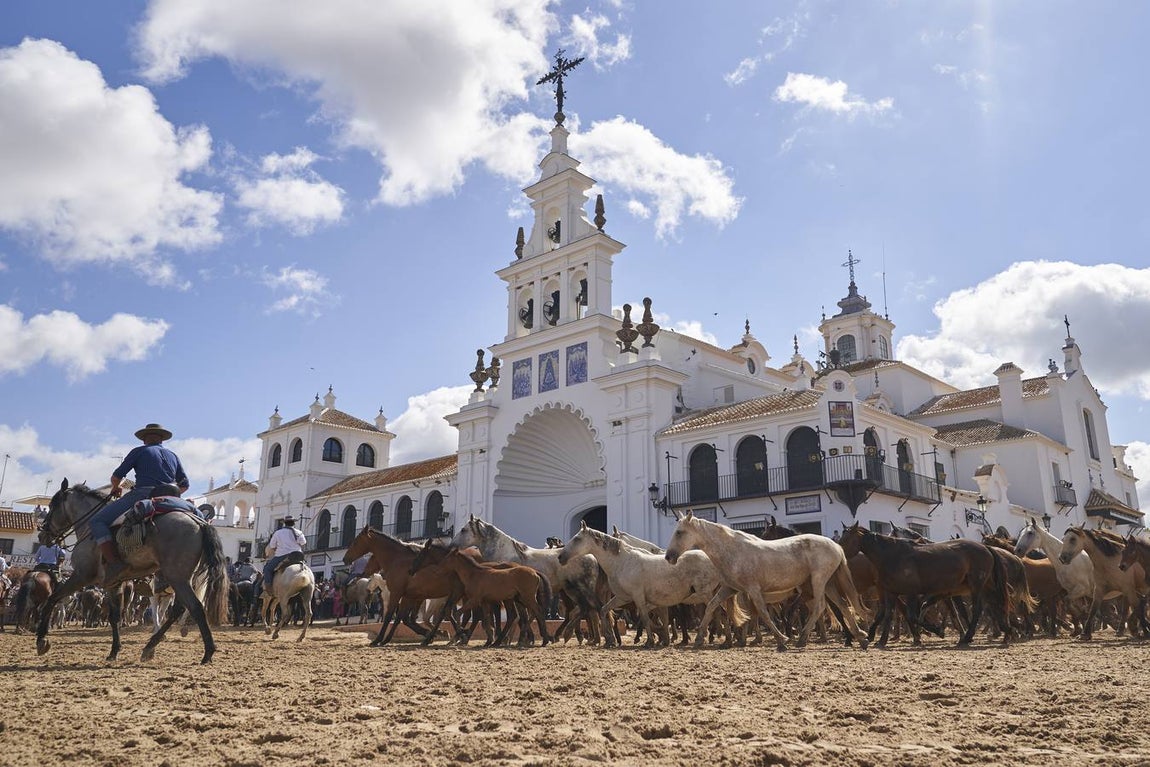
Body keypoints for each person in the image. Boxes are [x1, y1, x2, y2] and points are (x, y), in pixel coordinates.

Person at [89, 423, 190, 583]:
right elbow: (184, 485)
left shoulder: (139, 451)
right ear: (162, 439)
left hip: (143, 493)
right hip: (172, 498)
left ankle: (114, 564)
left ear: (144, 439)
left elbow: (116, 477)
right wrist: (168, 493)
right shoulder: (173, 456)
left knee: (97, 521)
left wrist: (115, 488)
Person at [262, 515, 306, 594]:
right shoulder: (299, 532)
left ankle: (269, 588)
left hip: (282, 556)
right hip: (297, 556)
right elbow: (303, 543)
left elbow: (272, 546)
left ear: (284, 523)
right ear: (293, 523)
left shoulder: (278, 533)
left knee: (267, 569)